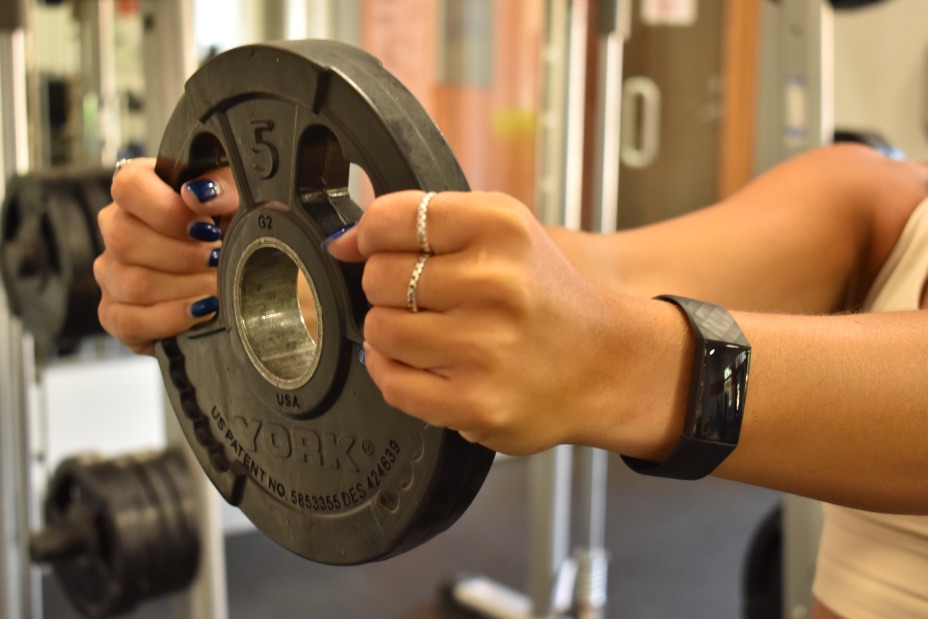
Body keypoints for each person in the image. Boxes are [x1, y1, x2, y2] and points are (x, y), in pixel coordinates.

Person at [95, 143, 928, 619]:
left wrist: (621, 364)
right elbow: (580, 278)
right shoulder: (878, 204)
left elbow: (602, 335)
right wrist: (264, 262)